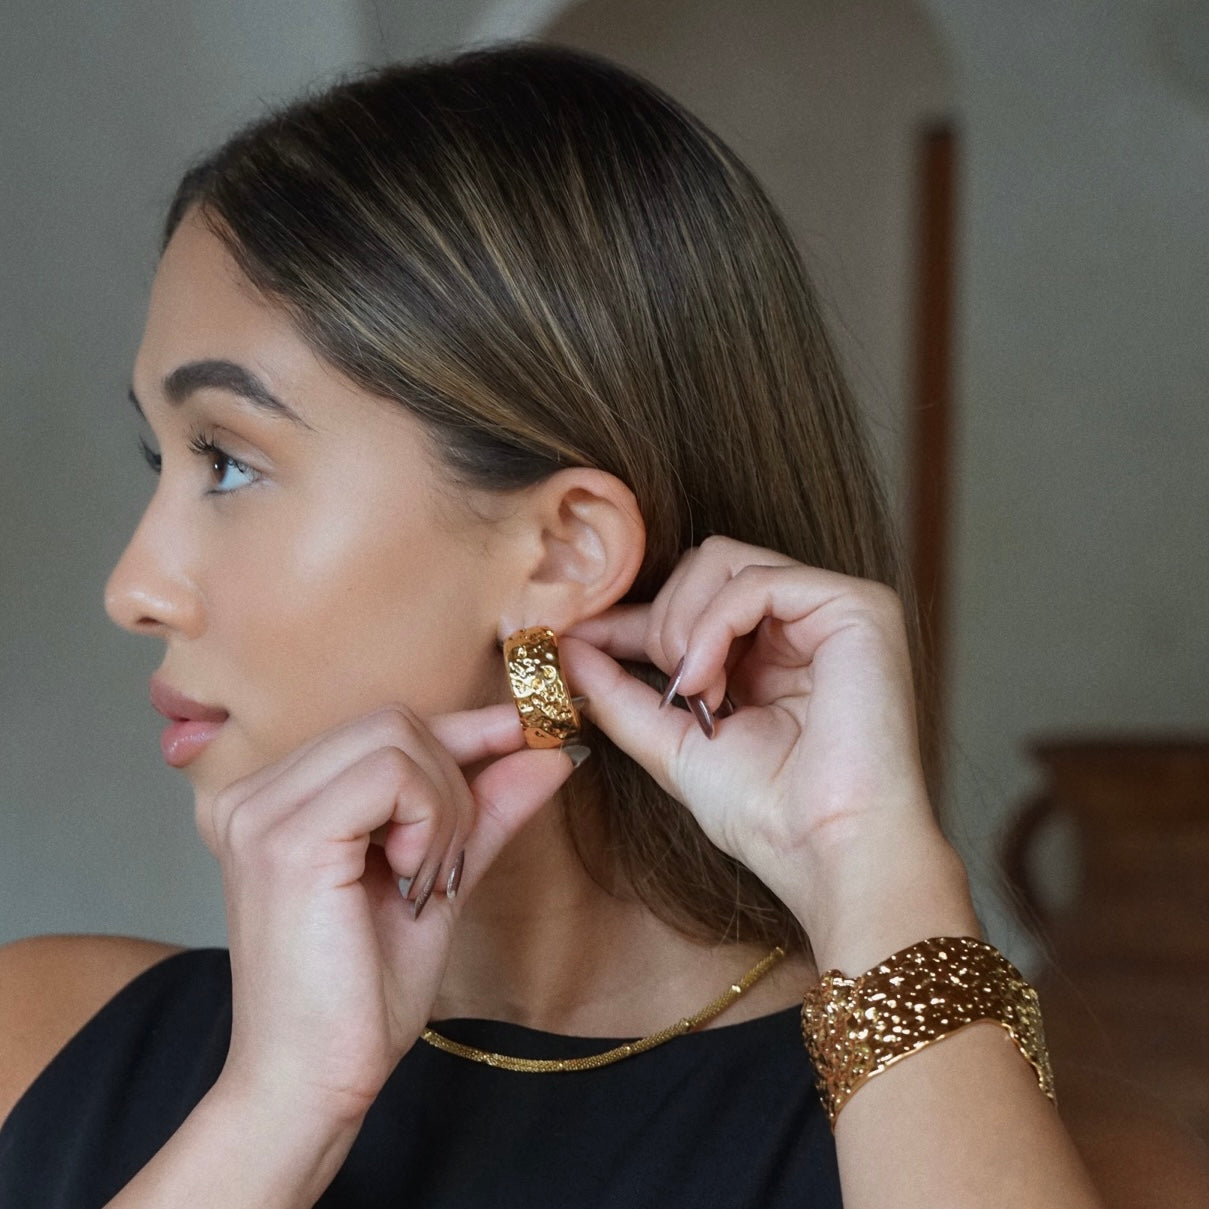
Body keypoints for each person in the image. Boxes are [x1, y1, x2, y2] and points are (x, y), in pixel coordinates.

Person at [0, 42, 1206, 1209]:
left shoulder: (1065, 1163)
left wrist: (873, 866)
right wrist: (275, 1113)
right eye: (160, 459)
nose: (134, 587)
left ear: (564, 551)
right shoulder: (38, 1045)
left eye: (228, 462)